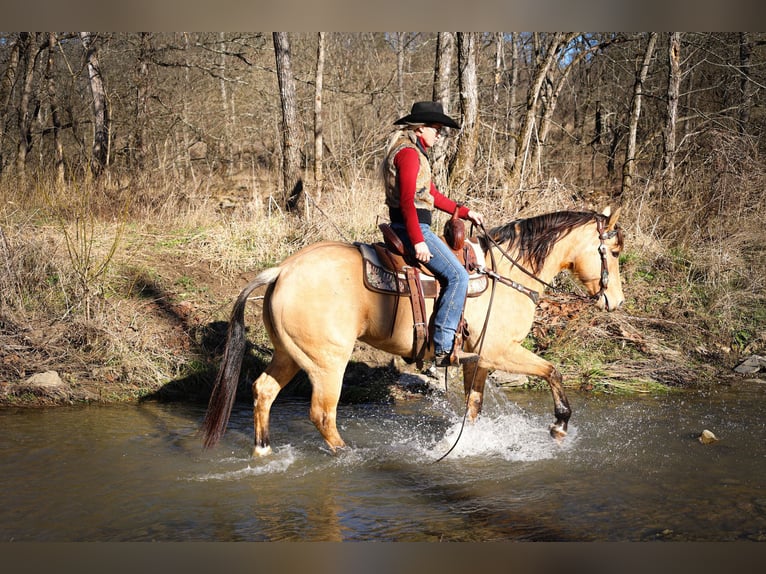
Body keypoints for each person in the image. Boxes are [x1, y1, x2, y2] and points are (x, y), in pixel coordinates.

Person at [382, 101, 485, 367]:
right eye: (436, 128)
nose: (439, 134)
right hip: (412, 226)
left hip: (412, 224)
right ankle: (443, 345)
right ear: (420, 128)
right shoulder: (408, 154)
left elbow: (431, 195)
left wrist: (464, 212)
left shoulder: (415, 152)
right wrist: (417, 240)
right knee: (458, 276)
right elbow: (407, 201)